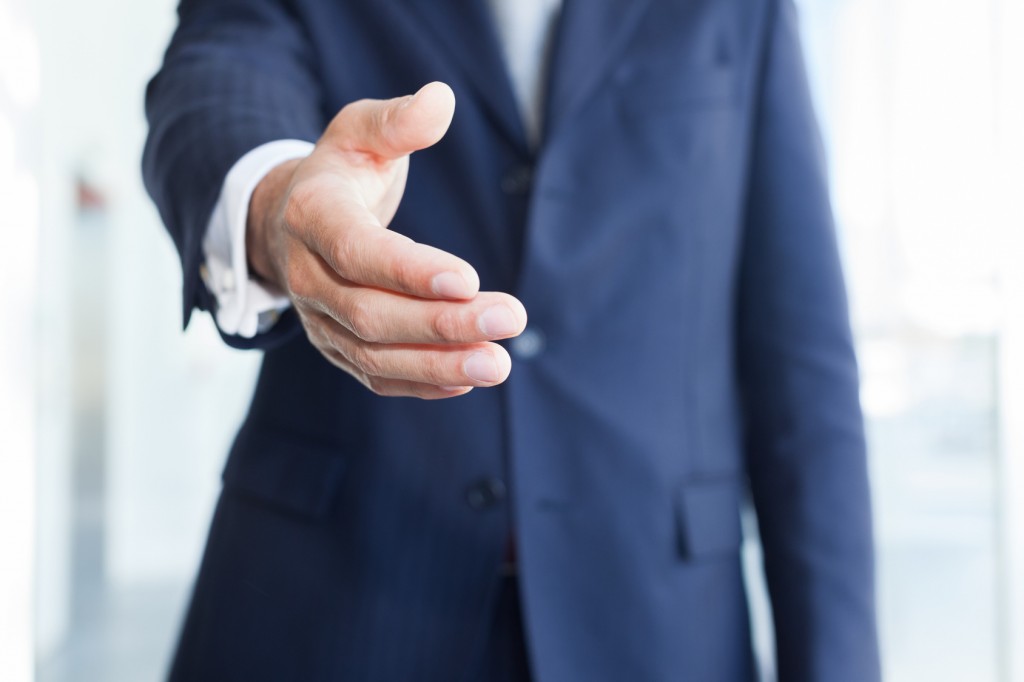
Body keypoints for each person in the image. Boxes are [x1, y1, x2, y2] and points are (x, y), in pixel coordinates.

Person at [143, 0, 881, 680]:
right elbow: (220, 77)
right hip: (331, 606)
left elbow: (802, 371)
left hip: (655, 621)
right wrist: (277, 204)